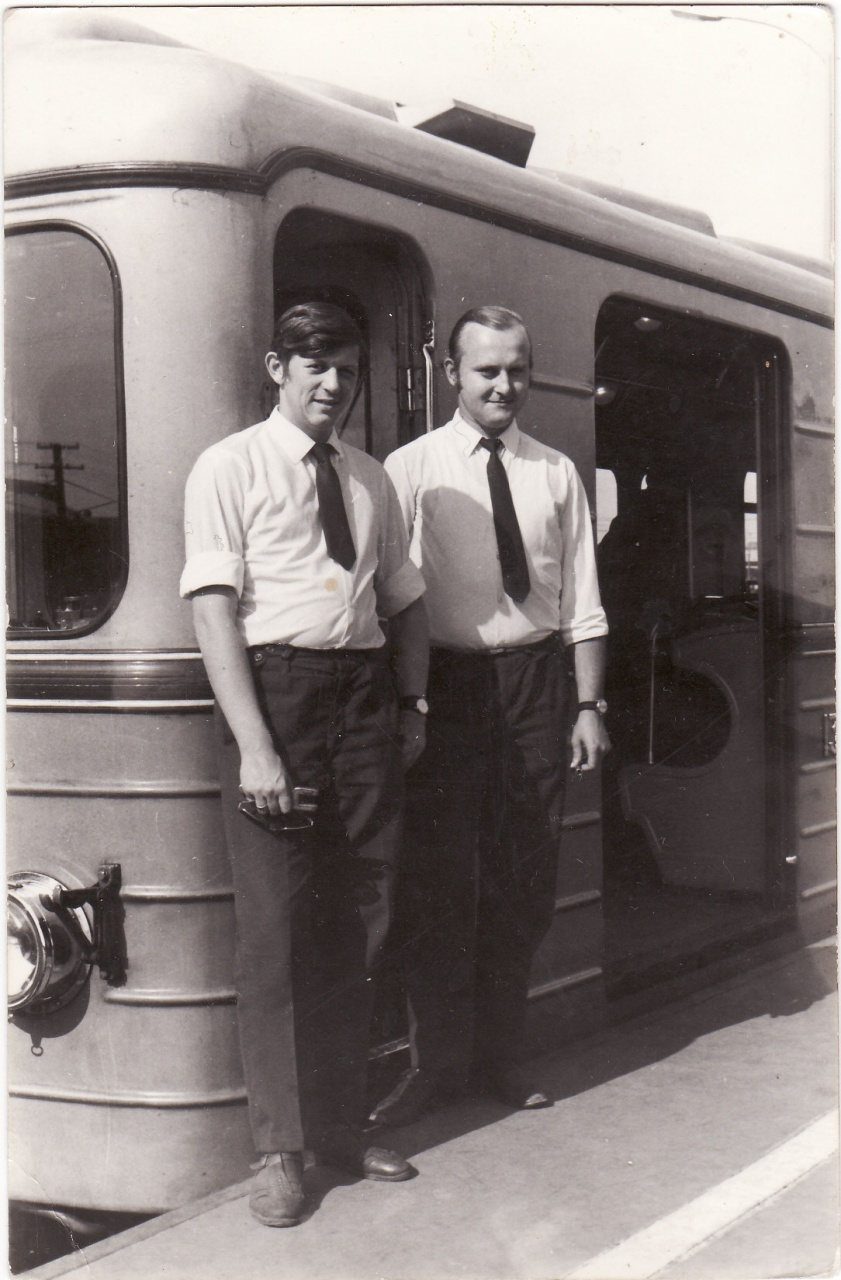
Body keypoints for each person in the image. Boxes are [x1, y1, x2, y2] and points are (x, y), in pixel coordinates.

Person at [180, 302, 429, 1227]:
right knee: (277, 931)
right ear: (277, 368)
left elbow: (403, 598)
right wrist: (255, 746)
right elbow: (213, 612)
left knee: (363, 916)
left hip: (363, 698)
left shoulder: (369, 479)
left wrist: (411, 704)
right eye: (315, 366)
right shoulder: (228, 466)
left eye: (347, 370)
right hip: (275, 697)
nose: (333, 385)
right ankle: (279, 1151)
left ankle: (336, 1126)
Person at [372, 305, 610, 1127]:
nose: (503, 385)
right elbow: (394, 601)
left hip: (537, 686)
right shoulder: (409, 469)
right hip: (446, 688)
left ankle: (501, 1059)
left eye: (516, 370)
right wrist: (409, 701)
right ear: (452, 374)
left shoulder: (556, 473)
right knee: (438, 883)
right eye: (486, 371)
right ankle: (435, 1068)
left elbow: (582, 602)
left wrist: (587, 704)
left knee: (522, 880)